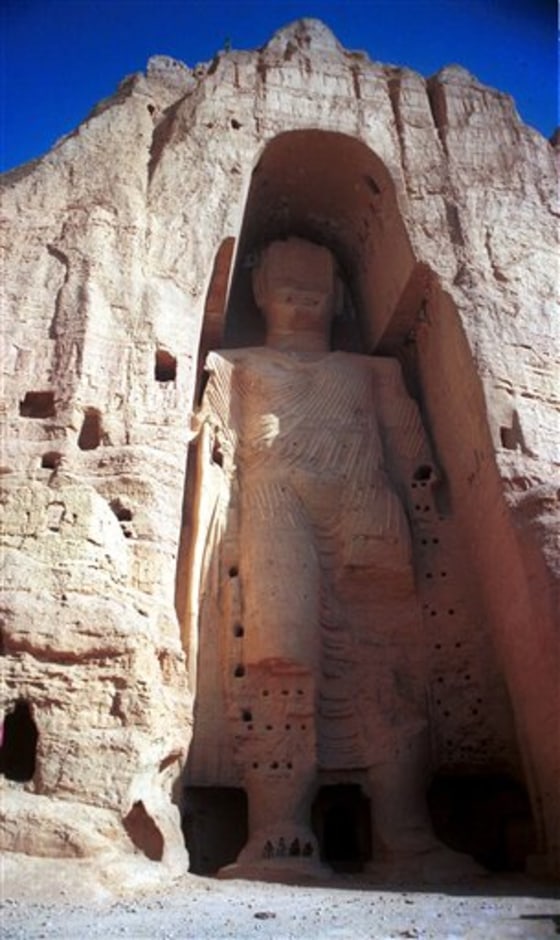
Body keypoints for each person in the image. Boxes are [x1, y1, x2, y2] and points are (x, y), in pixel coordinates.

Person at [189, 238, 477, 877]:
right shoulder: (235, 365)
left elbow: (414, 458)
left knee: (387, 658)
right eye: (284, 277)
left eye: (319, 275)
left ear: (343, 293)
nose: (301, 288)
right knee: (278, 655)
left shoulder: (374, 372)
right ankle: (277, 829)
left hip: (364, 500)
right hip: (273, 503)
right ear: (257, 290)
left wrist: (438, 532)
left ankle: (405, 831)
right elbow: (210, 456)